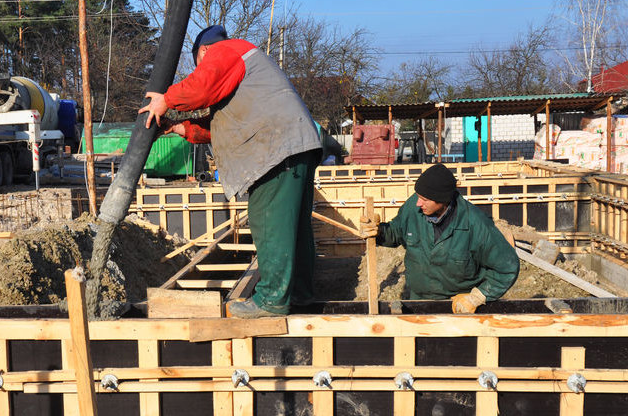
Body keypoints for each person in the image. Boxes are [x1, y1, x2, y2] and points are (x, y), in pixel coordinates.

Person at [138, 25, 322, 318]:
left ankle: (272, 301)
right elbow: (223, 125)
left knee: (269, 223)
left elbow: (200, 87)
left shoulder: (224, 51)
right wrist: (179, 127)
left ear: (202, 52)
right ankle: (297, 295)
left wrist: (166, 100)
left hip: (275, 151)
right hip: (294, 146)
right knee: (293, 230)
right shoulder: (245, 66)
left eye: (200, 63)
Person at [359, 164, 519, 313]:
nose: (418, 203)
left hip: (458, 307)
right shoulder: (413, 209)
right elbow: (396, 233)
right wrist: (378, 231)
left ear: (443, 200)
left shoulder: (475, 225)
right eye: (418, 196)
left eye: (425, 199)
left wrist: (477, 297)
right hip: (419, 304)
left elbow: (508, 267)